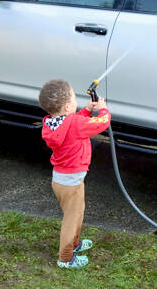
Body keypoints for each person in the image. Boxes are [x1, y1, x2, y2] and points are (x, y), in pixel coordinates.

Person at [39, 79, 110, 268]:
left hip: (62, 180)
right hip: (71, 182)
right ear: (68, 105)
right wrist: (103, 109)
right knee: (71, 219)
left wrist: (86, 110)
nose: (76, 100)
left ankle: (75, 244)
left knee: (78, 213)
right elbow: (102, 123)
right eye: (73, 97)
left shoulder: (51, 123)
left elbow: (70, 124)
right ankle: (65, 258)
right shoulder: (75, 123)